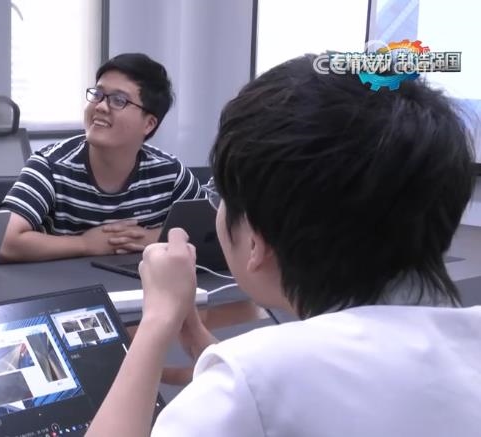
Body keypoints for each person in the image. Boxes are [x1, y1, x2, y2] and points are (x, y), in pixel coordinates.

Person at [87, 54, 480, 436]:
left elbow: (265, 390)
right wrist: (208, 352)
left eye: (220, 195)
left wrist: (158, 320)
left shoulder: (245, 387)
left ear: (257, 242)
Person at [0, 53, 205, 263]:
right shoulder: (50, 167)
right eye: (98, 94)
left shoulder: (169, 173)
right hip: (65, 282)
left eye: (118, 100)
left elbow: (212, 229)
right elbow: (2, 241)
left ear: (149, 124)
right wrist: (85, 244)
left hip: (141, 282)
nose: (100, 106)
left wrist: (156, 238)